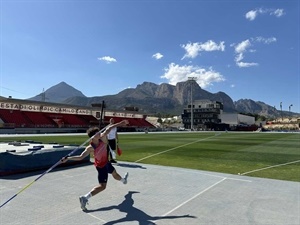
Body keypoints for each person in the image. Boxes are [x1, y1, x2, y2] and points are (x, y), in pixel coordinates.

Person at [60, 119, 129, 211]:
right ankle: (85, 197)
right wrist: (68, 158)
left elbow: (109, 128)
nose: (99, 134)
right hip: (101, 167)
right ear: (92, 137)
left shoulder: (103, 138)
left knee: (114, 173)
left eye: (99, 132)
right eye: (97, 133)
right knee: (102, 186)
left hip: (106, 162)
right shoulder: (90, 148)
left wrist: (120, 123)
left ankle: (123, 180)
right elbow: (80, 157)